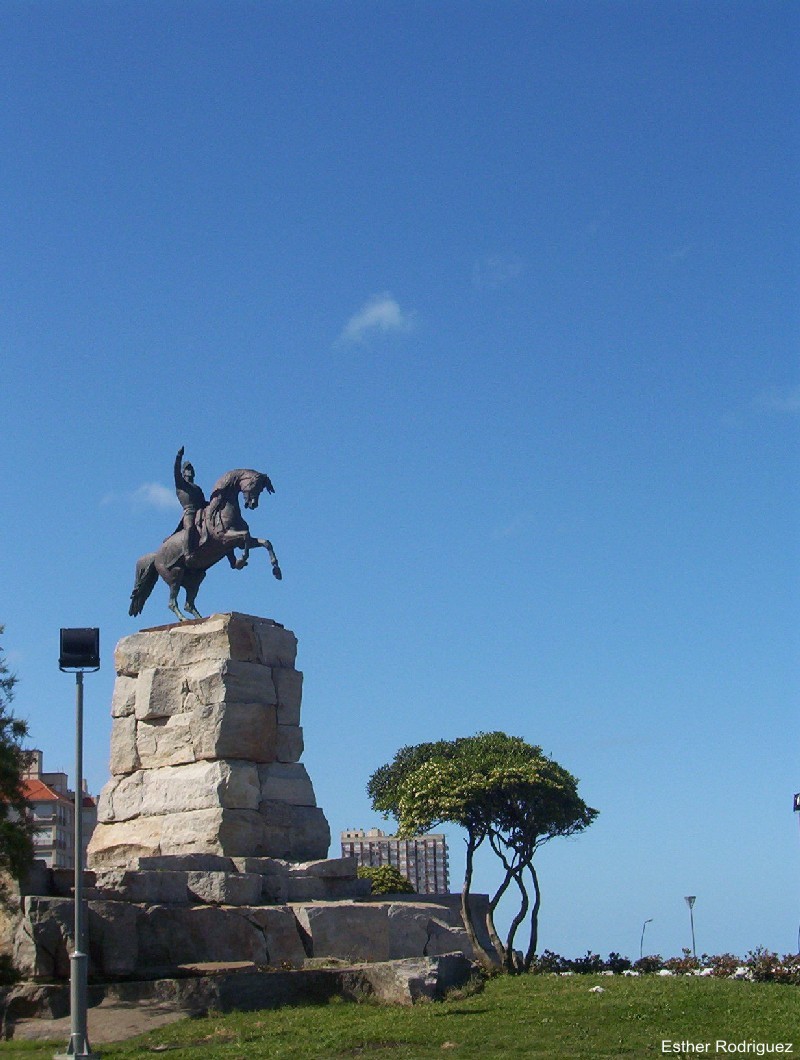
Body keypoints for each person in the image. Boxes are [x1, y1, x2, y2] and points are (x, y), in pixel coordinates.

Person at [174, 446, 207, 562]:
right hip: (190, 512)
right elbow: (176, 471)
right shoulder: (181, 485)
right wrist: (179, 457)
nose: (190, 471)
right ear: (183, 473)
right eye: (187, 469)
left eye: (191, 469)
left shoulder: (197, 488)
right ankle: (187, 553)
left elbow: (203, 502)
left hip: (201, 512)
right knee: (190, 528)